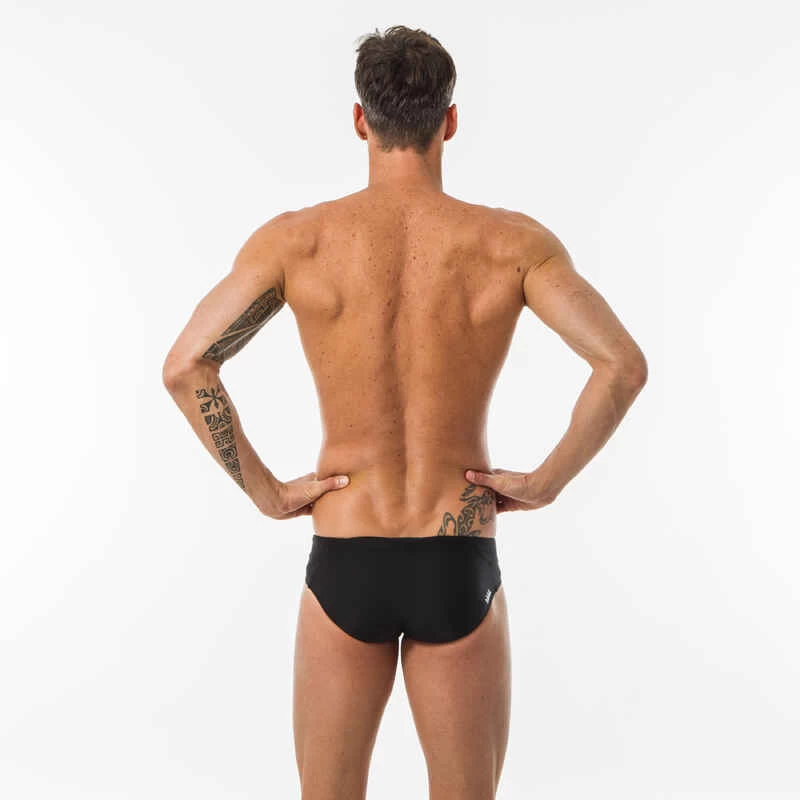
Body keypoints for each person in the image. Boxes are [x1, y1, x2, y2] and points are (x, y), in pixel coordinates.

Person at [162, 23, 647, 800]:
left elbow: (187, 366)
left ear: (361, 119)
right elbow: (621, 365)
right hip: (456, 551)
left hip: (344, 552)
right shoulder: (511, 244)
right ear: (449, 120)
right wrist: (545, 483)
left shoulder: (297, 243)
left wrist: (267, 492)